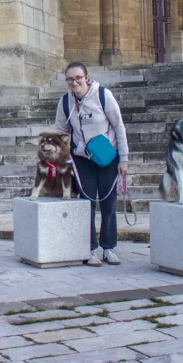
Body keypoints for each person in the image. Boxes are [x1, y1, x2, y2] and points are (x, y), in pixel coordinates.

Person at [55, 62, 130, 266]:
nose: (75, 82)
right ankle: (90, 248)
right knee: (86, 203)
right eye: (70, 79)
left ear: (86, 77)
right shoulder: (64, 103)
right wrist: (61, 161)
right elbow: (61, 133)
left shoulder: (103, 96)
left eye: (78, 77)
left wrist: (124, 158)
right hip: (82, 159)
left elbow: (119, 126)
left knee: (108, 204)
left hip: (107, 156)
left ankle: (109, 247)